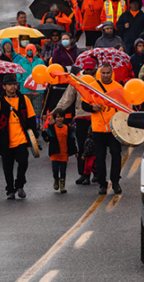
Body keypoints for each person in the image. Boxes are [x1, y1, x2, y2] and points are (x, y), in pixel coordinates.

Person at [0, 76, 36, 200]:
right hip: (5, 138)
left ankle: (19, 183)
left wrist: (33, 136)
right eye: (9, 84)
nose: (12, 87)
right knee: (7, 166)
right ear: (4, 87)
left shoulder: (24, 99)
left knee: (23, 162)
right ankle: (10, 189)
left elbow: (31, 118)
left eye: (14, 84)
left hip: (21, 138)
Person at [82, 63, 124, 194]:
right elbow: (84, 104)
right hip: (98, 128)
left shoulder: (118, 87)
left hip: (113, 128)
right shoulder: (93, 87)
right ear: (100, 73)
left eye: (108, 73)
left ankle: (115, 181)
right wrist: (92, 108)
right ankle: (102, 183)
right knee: (100, 157)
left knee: (116, 154)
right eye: (103, 73)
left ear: (112, 73)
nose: (106, 75)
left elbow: (124, 106)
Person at [43, 109, 78, 193]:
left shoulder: (68, 129)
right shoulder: (51, 129)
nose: (59, 119)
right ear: (55, 118)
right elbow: (47, 138)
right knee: (55, 170)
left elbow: (72, 141)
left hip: (64, 154)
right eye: (57, 117)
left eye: (61, 117)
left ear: (64, 118)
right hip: (55, 154)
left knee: (63, 170)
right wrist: (43, 132)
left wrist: (75, 152)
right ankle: (56, 179)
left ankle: (62, 186)